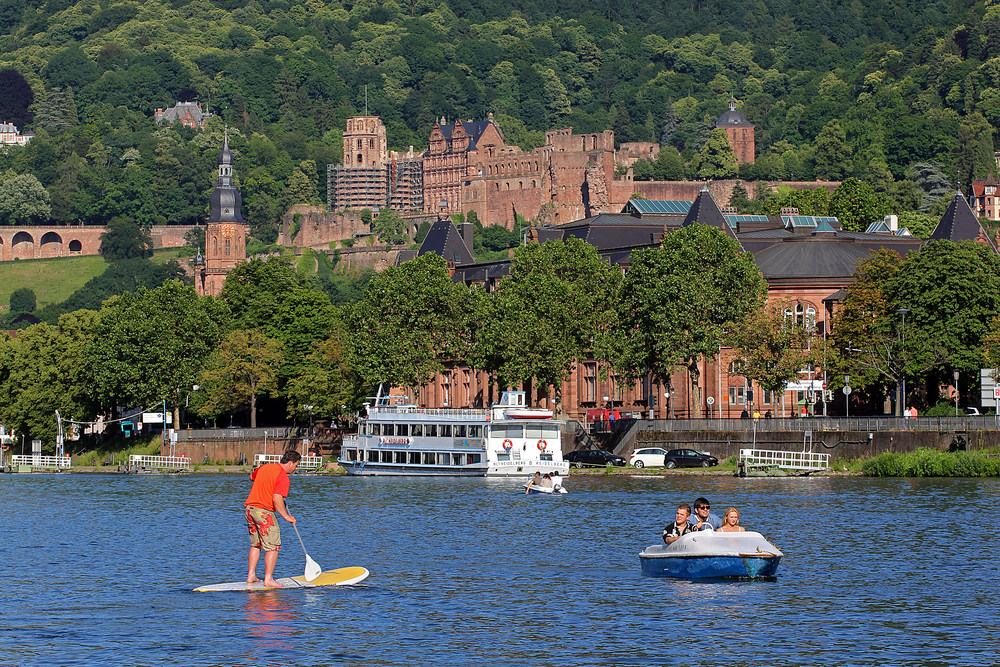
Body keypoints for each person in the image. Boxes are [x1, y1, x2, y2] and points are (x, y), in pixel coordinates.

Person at [245, 449, 301, 587]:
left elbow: (252, 477)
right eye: (296, 465)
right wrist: (286, 516)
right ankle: (268, 579)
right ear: (289, 463)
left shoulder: (266, 466)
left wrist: (265, 483)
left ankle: (251, 575)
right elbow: (277, 499)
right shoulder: (283, 477)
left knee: (256, 544)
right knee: (273, 547)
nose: (296, 468)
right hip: (263, 512)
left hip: (250, 510)